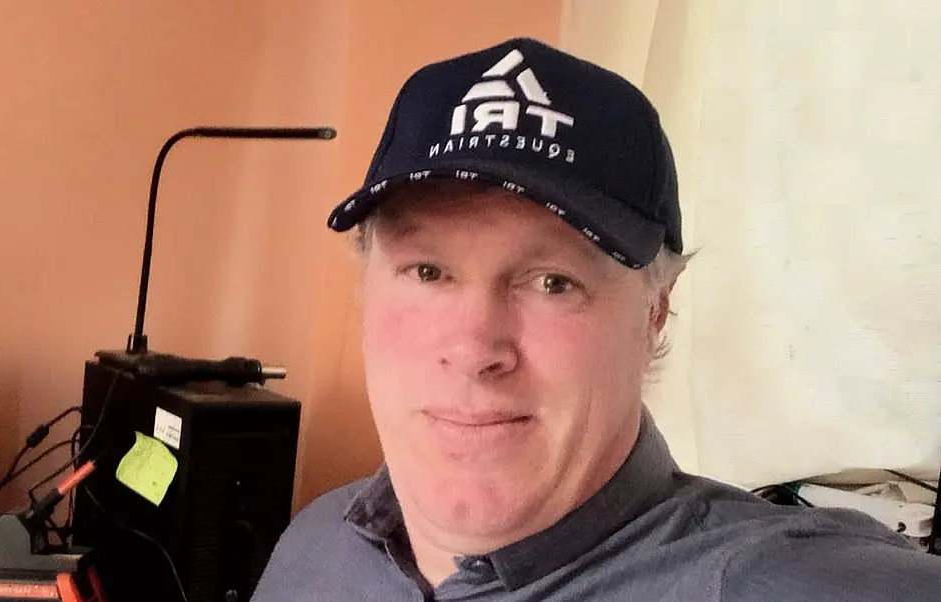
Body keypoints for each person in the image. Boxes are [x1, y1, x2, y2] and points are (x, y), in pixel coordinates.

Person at [251, 37, 941, 601]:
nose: (473, 347)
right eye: (428, 272)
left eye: (553, 282)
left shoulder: (770, 580)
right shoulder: (316, 548)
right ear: (365, 289)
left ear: (655, 316)